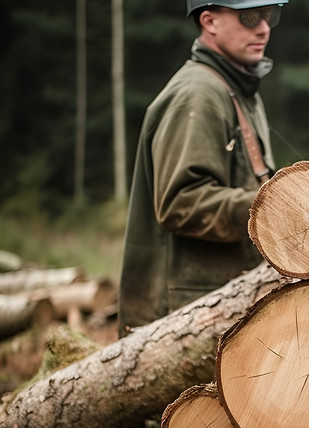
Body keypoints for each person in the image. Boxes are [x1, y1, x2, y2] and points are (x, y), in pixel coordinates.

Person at [118, 0, 286, 337]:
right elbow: (180, 203)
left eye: (269, 15)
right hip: (180, 320)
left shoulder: (238, 91)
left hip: (217, 306)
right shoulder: (198, 94)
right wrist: (274, 205)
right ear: (209, 21)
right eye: (250, 16)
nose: (264, 27)